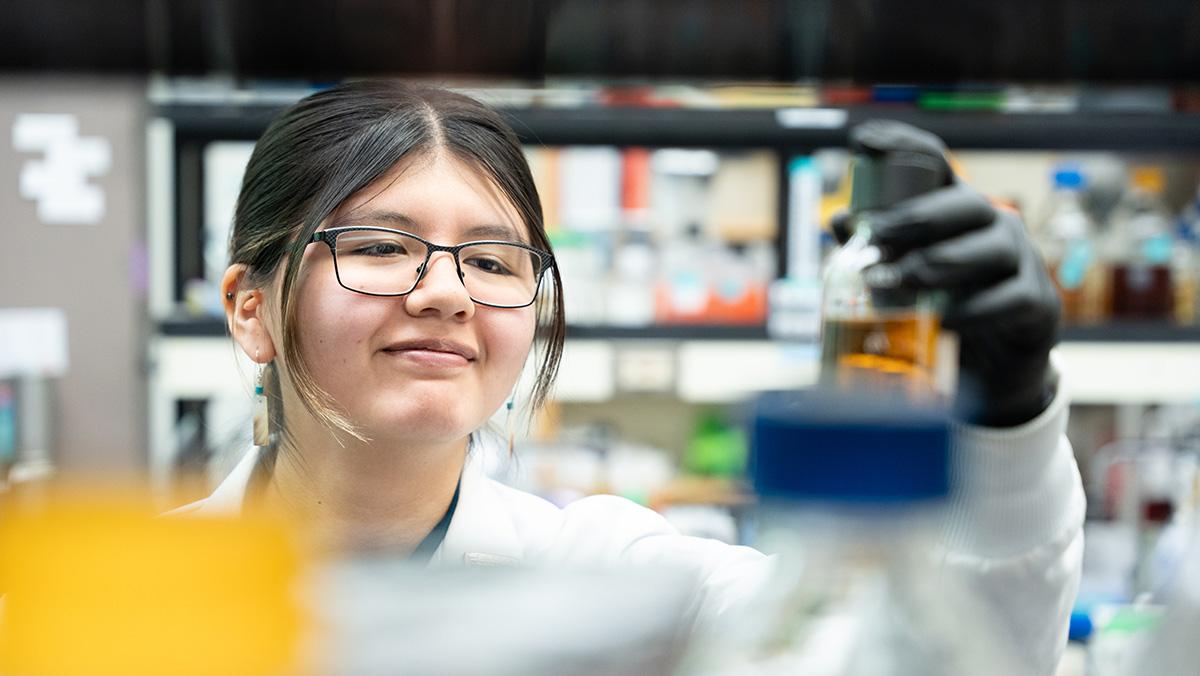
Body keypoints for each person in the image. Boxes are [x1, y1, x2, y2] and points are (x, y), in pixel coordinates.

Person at [170, 81, 1084, 674]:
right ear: (251, 307)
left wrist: (1012, 411)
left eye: (493, 261)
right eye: (378, 246)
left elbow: (945, 659)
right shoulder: (122, 601)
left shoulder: (626, 591)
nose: (446, 293)